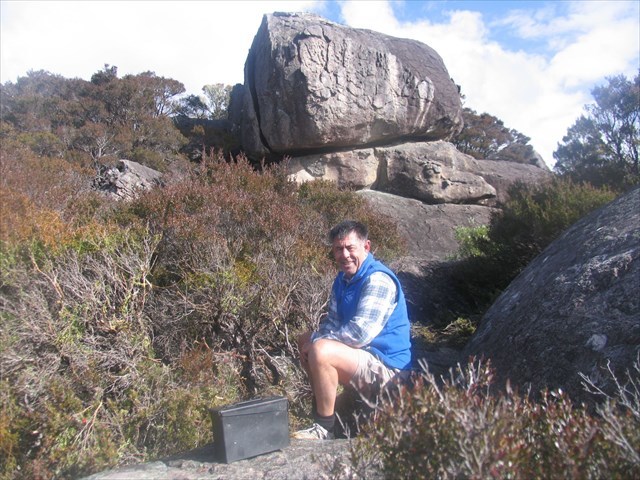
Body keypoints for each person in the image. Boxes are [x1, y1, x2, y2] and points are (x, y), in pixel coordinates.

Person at [293, 220, 412, 440]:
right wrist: (314, 340)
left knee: (320, 350)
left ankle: (324, 428)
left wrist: (318, 344)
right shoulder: (343, 279)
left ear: (366, 247)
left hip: (389, 370)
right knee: (305, 339)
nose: (344, 255)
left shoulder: (378, 279)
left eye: (350, 248)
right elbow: (332, 322)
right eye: (338, 249)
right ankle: (325, 407)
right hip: (362, 357)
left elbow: (359, 334)